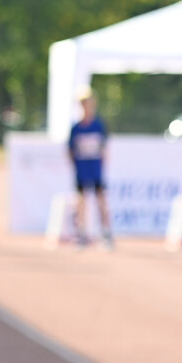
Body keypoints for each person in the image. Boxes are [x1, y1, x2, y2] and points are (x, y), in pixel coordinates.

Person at [68, 86, 112, 250]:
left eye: (89, 103)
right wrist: (77, 167)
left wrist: (101, 166)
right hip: (82, 171)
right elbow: (70, 150)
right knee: (81, 203)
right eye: (84, 103)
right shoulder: (76, 128)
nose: (87, 106)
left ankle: (106, 235)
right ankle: (81, 235)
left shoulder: (99, 125)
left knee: (101, 201)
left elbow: (104, 149)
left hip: (96, 170)